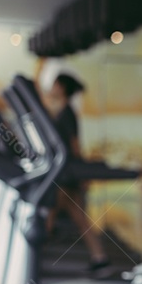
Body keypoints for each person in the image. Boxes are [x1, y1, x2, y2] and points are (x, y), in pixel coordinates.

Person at [43, 72, 109, 273]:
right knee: (63, 213)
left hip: (67, 173)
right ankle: (99, 256)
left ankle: (39, 252)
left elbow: (74, 144)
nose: (51, 88)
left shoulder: (68, 113)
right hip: (62, 172)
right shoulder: (62, 111)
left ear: (62, 88)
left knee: (68, 214)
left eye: (54, 84)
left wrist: (82, 173)